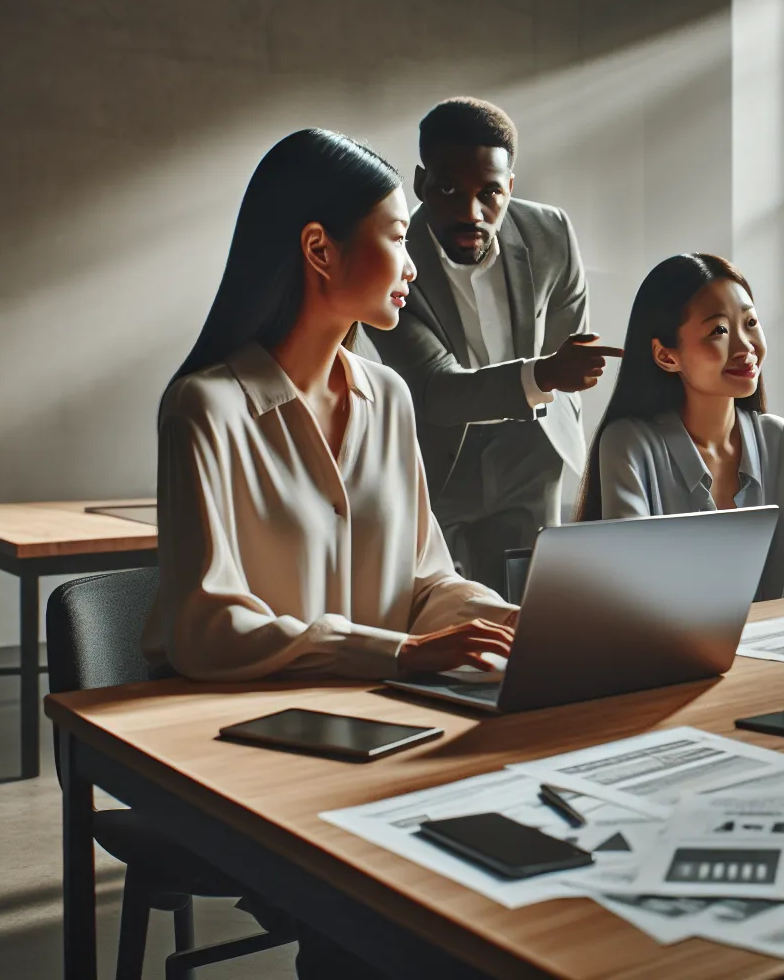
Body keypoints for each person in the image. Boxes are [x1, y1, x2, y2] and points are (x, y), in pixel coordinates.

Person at [145, 128, 516, 978]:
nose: (416, 261)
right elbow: (209, 623)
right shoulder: (206, 409)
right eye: (396, 235)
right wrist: (403, 651)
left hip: (387, 726)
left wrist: (505, 619)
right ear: (320, 248)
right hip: (245, 746)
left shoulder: (388, 396)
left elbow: (426, 575)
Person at [361, 97, 619, 594]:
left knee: (533, 610)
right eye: (449, 189)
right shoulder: (390, 255)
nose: (470, 212)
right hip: (438, 457)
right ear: (421, 183)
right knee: (434, 610)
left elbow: (572, 351)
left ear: (511, 187)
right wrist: (544, 374)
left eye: (490, 193)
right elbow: (434, 388)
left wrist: (564, 375)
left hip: (532, 451)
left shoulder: (551, 234)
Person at [579, 253, 784, 602]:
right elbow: (631, 574)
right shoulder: (628, 444)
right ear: (667, 356)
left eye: (751, 323)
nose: (745, 347)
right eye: (719, 331)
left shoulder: (778, 439)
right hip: (668, 651)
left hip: (775, 648)